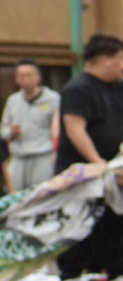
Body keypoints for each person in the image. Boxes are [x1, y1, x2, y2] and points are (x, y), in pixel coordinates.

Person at [53, 33, 123, 279]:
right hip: (82, 179)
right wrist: (98, 162)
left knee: (115, 239)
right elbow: (74, 128)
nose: (122, 66)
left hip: (115, 180)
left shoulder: (118, 88)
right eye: (120, 59)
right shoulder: (78, 89)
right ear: (105, 60)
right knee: (79, 240)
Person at [0, 59, 60, 191]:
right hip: (18, 156)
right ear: (16, 79)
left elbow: (58, 129)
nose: (25, 79)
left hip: (42, 155)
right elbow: (2, 131)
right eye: (21, 76)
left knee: (41, 194)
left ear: (38, 76)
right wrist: (10, 131)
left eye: (29, 75)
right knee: (14, 196)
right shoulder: (13, 101)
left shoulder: (53, 99)